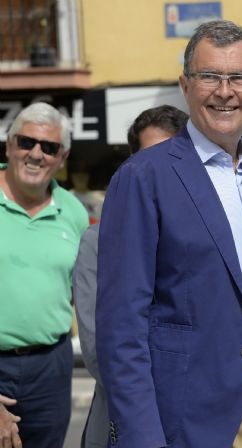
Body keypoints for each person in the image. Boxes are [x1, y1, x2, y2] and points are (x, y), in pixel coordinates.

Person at [95, 20, 242, 447]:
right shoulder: (144, 177)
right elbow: (121, 330)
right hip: (194, 422)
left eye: (239, 77)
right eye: (209, 77)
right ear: (185, 85)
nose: (225, 91)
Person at [73, 105, 188, 448]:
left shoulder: (209, 237)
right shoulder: (100, 240)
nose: (160, 169)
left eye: (172, 155)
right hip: (126, 423)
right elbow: (100, 354)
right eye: (149, 156)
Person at [0, 102, 89, 448]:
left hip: (50, 366)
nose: (36, 154)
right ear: (9, 144)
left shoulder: (74, 213)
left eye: (49, 147)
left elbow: (78, 292)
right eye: (27, 142)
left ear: (62, 157)